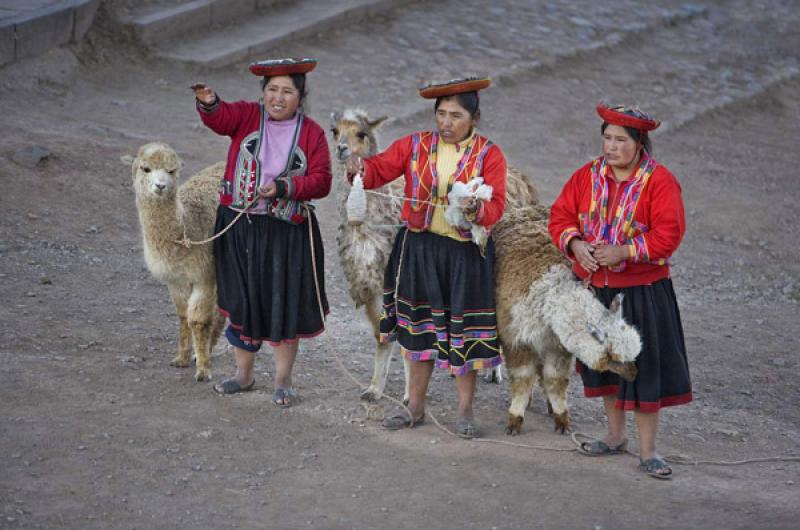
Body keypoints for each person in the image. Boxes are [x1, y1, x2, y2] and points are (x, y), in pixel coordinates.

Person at [346, 77, 507, 438]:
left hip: (465, 254)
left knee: (463, 332)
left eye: (456, 115)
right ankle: (414, 406)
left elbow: (496, 207)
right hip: (419, 248)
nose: (446, 122)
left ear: (474, 118)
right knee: (418, 329)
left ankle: (465, 411)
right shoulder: (415, 146)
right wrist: (360, 170)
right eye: (441, 114)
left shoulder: (488, 155)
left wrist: (475, 207)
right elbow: (380, 170)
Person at [548, 104, 691, 479]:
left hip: (642, 291)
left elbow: (669, 234)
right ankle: (614, 436)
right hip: (595, 289)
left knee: (643, 370)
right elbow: (560, 216)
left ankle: (649, 451)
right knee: (603, 365)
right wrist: (576, 244)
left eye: (620, 140)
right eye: (607, 138)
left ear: (640, 143)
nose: (611, 147)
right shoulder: (586, 176)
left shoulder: (659, 182)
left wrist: (625, 251)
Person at [192, 58, 331, 407]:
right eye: (272, 90)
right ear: (263, 93)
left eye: (287, 91)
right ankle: (244, 375)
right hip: (240, 226)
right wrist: (209, 102)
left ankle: (283, 381)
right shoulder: (246, 117)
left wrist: (284, 187)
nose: (278, 98)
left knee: (282, 302)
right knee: (242, 300)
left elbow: (322, 180)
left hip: (286, 232)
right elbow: (220, 118)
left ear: (300, 96)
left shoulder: (312, 133)